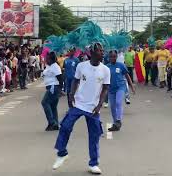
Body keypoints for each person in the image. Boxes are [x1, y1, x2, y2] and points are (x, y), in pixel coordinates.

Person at [52, 43, 110, 174]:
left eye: (102, 51)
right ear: (92, 53)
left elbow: (106, 88)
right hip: (78, 104)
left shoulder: (105, 70)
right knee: (65, 126)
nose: (102, 53)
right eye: (100, 51)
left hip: (93, 107)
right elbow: (75, 81)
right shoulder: (81, 66)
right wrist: (71, 94)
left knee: (94, 135)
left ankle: (93, 163)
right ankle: (62, 154)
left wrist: (100, 104)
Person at [107, 50, 135, 131]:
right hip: (111, 89)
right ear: (109, 57)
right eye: (111, 56)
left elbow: (127, 75)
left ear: (117, 56)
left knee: (118, 102)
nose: (113, 58)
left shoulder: (121, 65)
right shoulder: (106, 67)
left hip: (120, 87)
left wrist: (132, 86)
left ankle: (118, 120)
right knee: (112, 106)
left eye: (114, 56)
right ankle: (115, 123)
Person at [41, 52, 63, 131]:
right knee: (53, 106)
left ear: (51, 59)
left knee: (45, 102)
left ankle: (52, 122)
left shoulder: (55, 67)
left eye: (47, 58)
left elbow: (60, 78)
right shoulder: (49, 66)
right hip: (50, 87)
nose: (46, 59)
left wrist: (60, 90)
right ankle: (56, 124)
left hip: (53, 87)